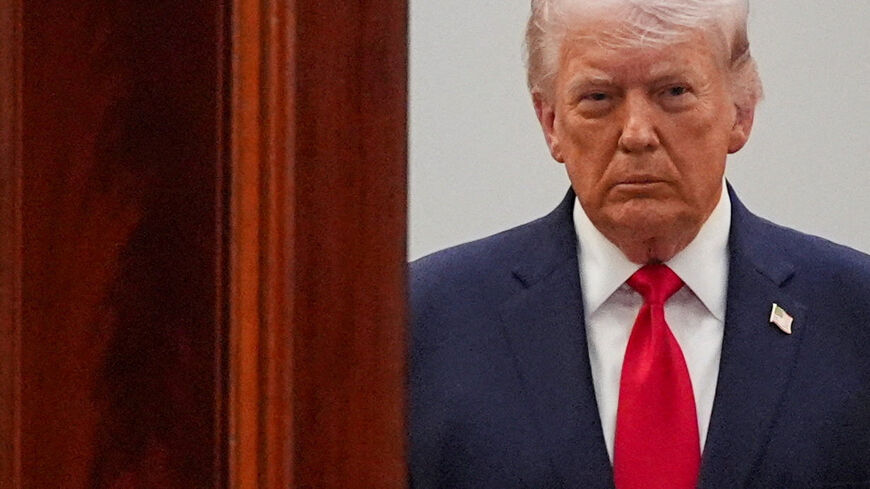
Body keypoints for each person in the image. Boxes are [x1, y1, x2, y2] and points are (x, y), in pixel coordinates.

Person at [408, 1, 870, 488]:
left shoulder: (855, 316)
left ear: (741, 112)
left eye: (673, 92)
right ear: (550, 122)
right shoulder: (424, 323)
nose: (636, 134)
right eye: (599, 98)